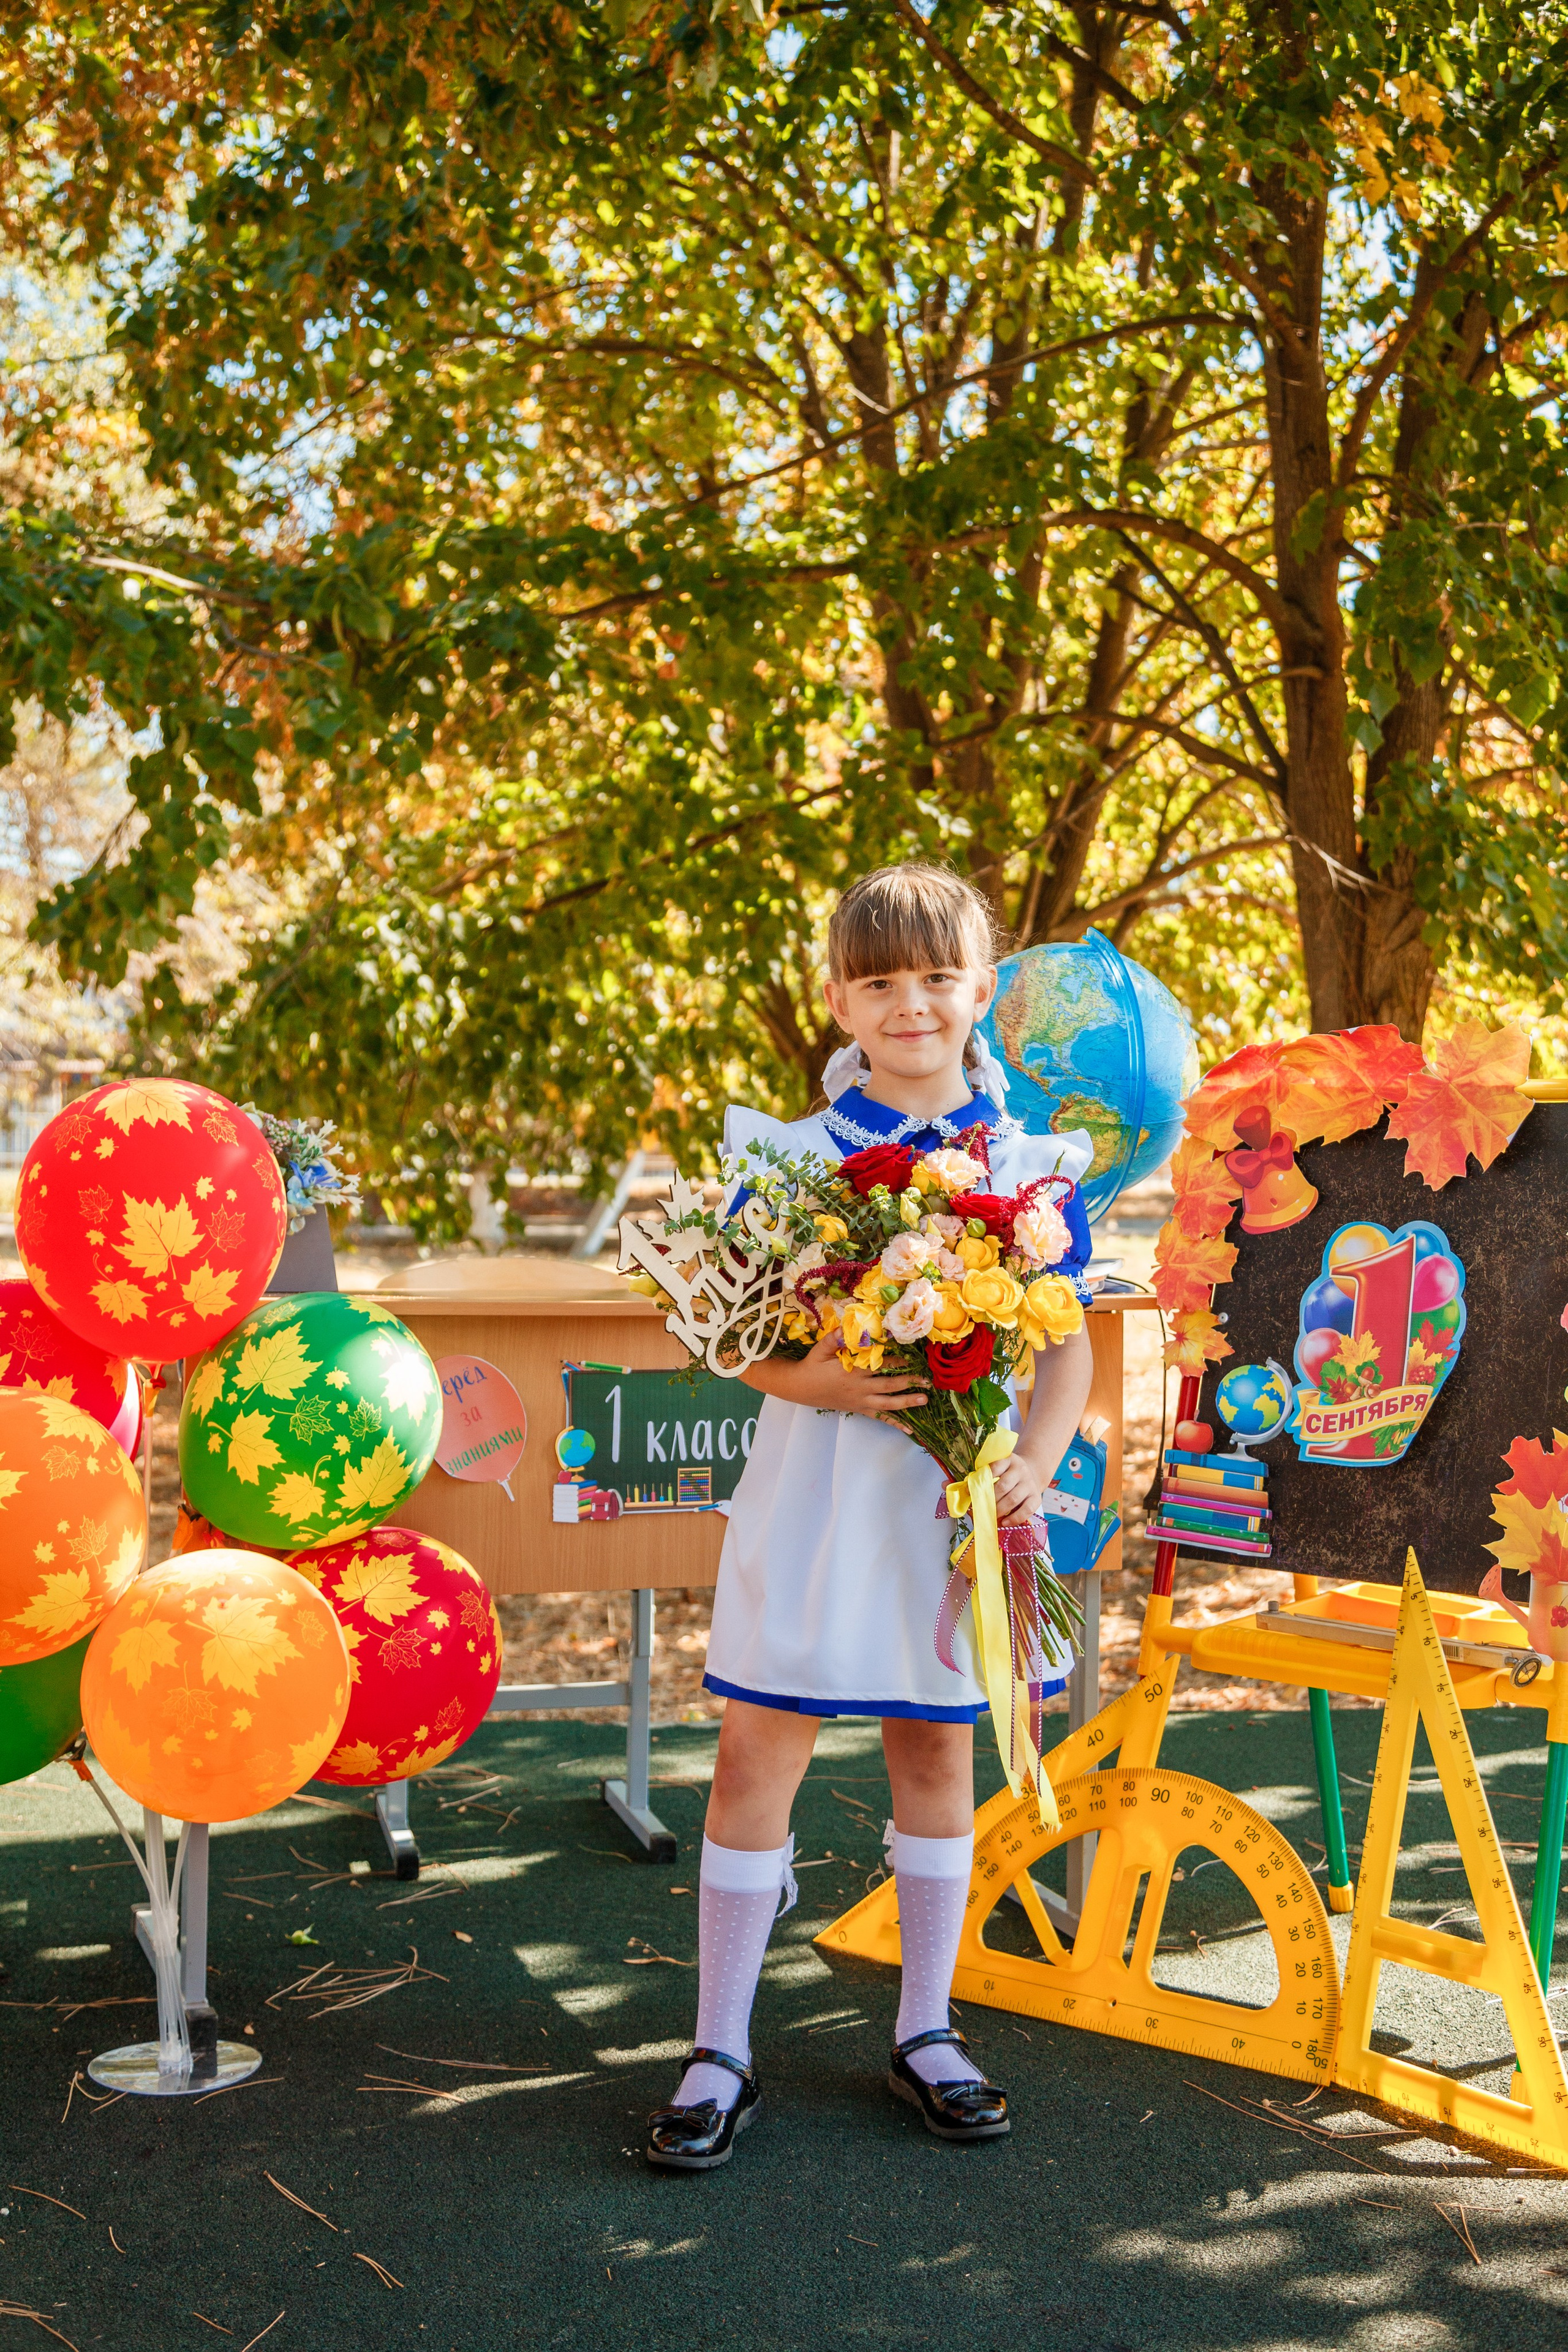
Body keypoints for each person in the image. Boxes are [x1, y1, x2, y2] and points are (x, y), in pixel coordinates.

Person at [644, 861, 1095, 2170]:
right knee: (752, 1754)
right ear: (837, 997)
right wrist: (820, 1378)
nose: (910, 1004)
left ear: (979, 992)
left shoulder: (1026, 1162)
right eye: (878, 981)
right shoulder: (786, 1160)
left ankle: (924, 2029)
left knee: (935, 1756)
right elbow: (730, 1338)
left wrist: (1033, 1455)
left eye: (936, 978)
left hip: (952, 1502)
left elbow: (1063, 1347)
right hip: (815, 1494)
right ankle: (719, 2045)